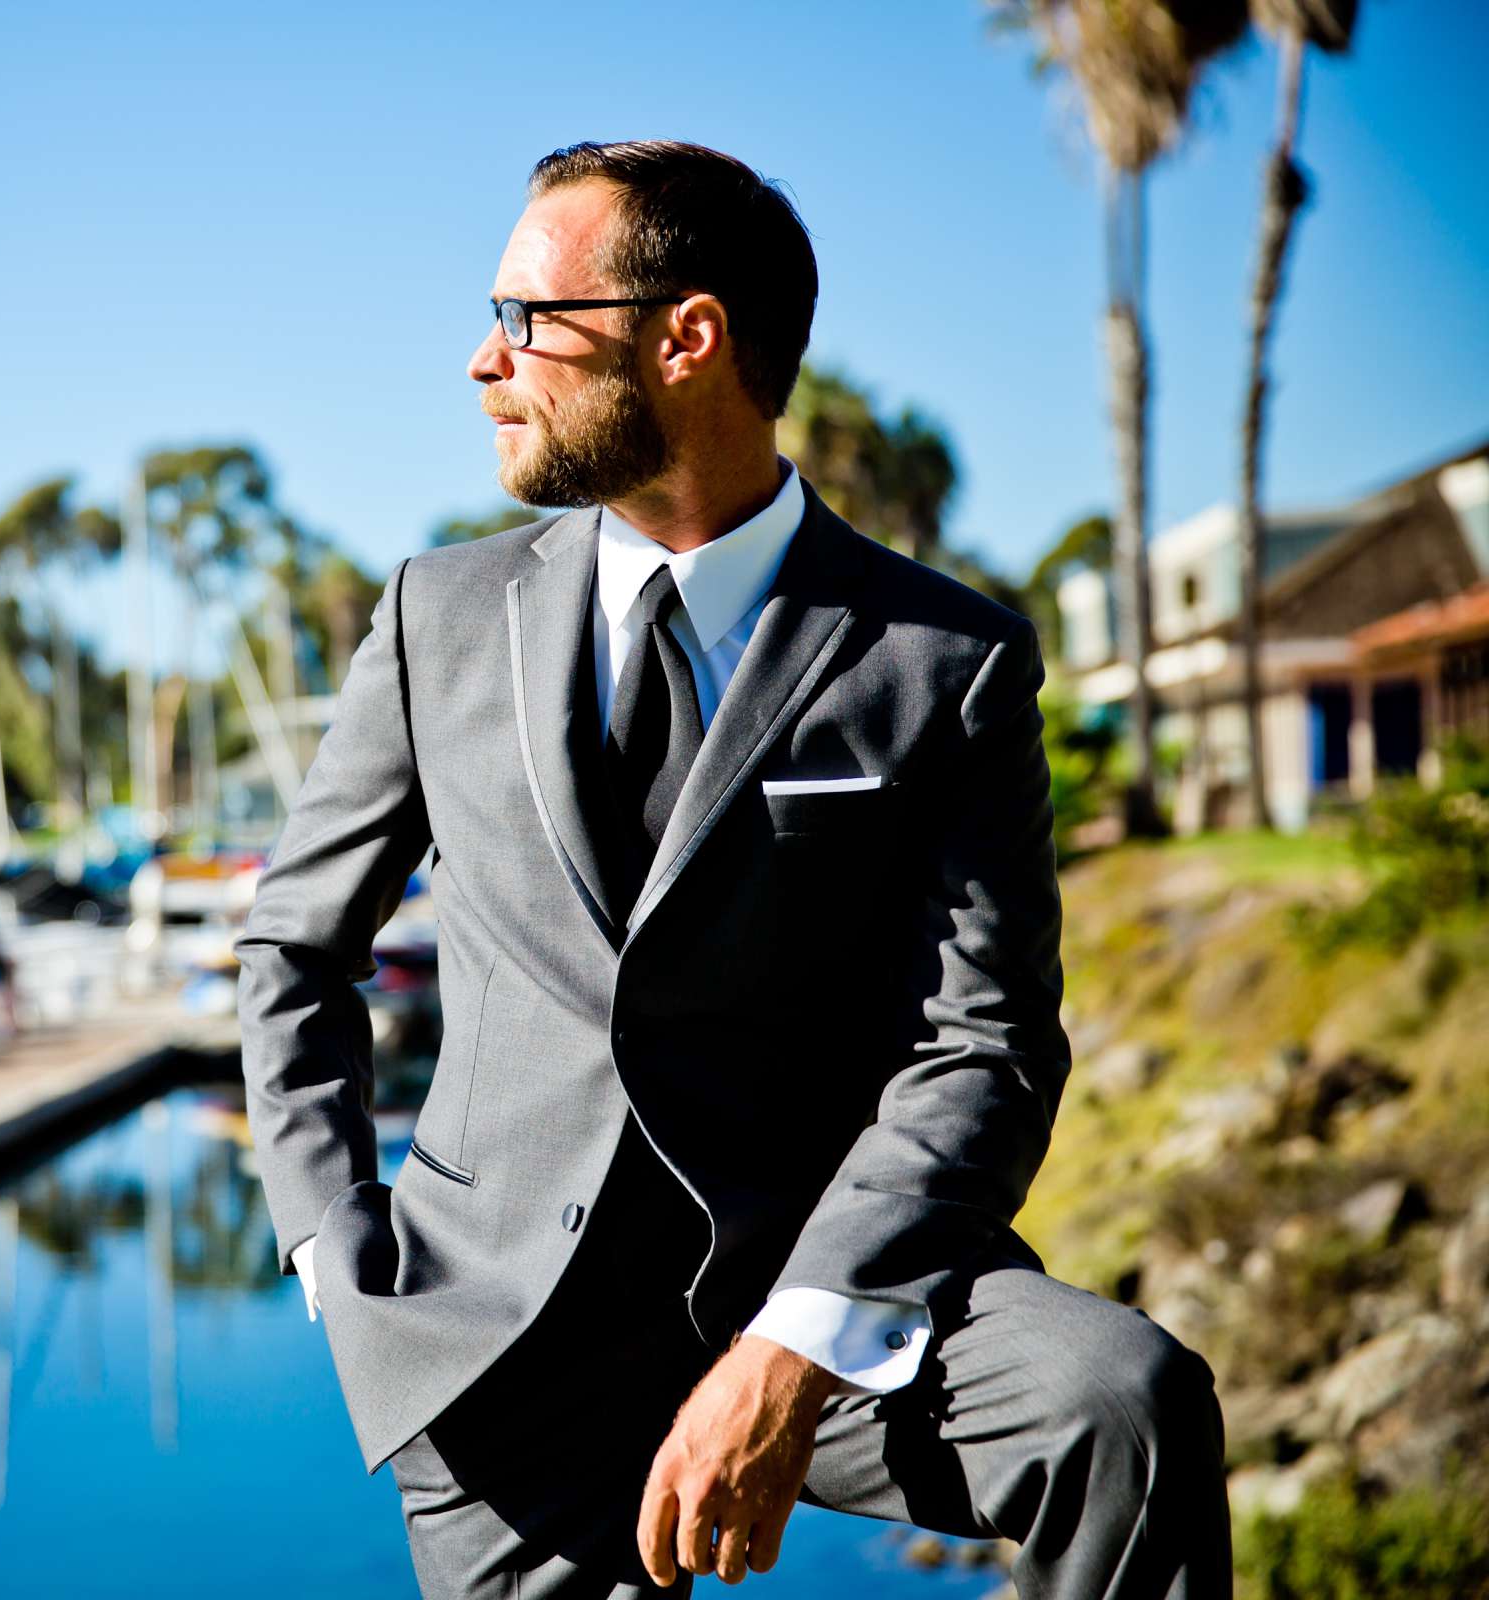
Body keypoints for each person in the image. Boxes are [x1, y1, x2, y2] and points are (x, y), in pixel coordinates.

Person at [234, 140, 1229, 1599]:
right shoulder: (435, 616)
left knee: (1122, 1403)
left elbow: (986, 1046)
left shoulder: (941, 662)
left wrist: (794, 1343)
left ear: (686, 338)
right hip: (495, 1330)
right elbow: (294, 948)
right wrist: (335, 1246)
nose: (481, 361)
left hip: (823, 1294)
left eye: (524, 319)